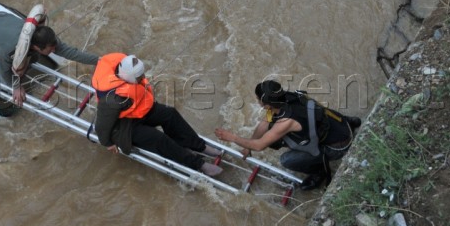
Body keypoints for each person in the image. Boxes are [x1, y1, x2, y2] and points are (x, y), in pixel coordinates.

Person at [92, 52, 223, 177]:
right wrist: (108, 143)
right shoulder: (112, 99)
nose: (142, 78)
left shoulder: (126, 76)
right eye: (139, 77)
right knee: (158, 138)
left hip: (136, 113)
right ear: (128, 76)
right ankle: (198, 164)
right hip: (122, 128)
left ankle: (198, 145)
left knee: (169, 113)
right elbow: (101, 126)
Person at [214, 79, 362, 190]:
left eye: (258, 99)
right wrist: (248, 147)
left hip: (339, 146)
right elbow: (265, 123)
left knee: (287, 160)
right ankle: (351, 122)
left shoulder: (286, 122)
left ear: (266, 104)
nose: (257, 101)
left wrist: (232, 138)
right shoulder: (286, 98)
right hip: (339, 123)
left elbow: (260, 146)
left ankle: (319, 172)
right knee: (301, 122)